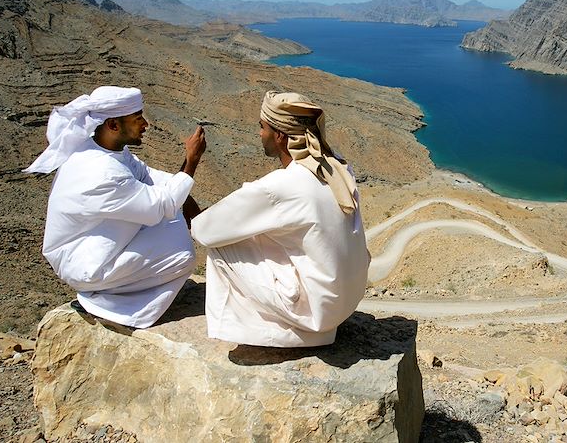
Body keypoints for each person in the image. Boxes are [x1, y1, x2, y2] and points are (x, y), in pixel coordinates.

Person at [190, 90, 370, 347]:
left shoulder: (282, 185)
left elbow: (205, 231)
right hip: (346, 300)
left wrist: (188, 168)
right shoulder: (337, 166)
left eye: (262, 127)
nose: (260, 134)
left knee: (222, 248)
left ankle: (269, 329)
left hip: (321, 312)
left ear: (279, 135)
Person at [25, 85, 206, 328]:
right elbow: (165, 202)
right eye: (138, 118)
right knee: (182, 256)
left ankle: (116, 290)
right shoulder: (103, 173)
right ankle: (107, 305)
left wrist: (200, 217)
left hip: (96, 245)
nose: (145, 124)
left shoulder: (108, 150)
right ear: (113, 125)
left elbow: (151, 177)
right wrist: (192, 161)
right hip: (86, 264)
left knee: (173, 219)